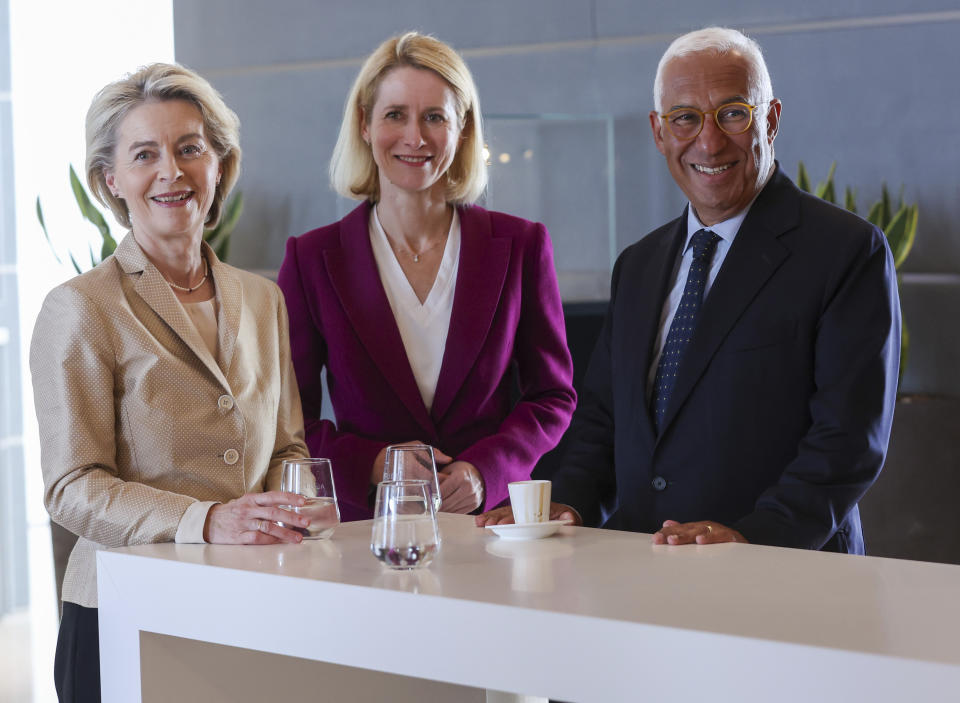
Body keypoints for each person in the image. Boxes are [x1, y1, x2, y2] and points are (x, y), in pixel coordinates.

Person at [477, 26, 901, 554]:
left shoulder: (846, 252)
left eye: (733, 113)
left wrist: (755, 536)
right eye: (685, 119)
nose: (709, 140)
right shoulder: (638, 264)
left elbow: (848, 441)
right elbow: (605, 420)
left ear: (769, 120)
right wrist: (570, 502)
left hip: (783, 573)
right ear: (659, 132)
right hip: (643, 572)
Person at [30, 63, 310, 702]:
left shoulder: (264, 300)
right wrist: (207, 521)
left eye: (190, 149)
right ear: (112, 180)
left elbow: (288, 450)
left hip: (256, 609)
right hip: (127, 616)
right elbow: (71, 488)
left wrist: (299, 503)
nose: (172, 171)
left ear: (220, 166)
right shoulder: (80, 307)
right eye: (145, 155)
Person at [278, 32, 576, 521]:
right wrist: (375, 465)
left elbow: (553, 396)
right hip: (369, 532)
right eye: (395, 114)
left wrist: (486, 470)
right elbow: (289, 421)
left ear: (461, 131)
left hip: (490, 527)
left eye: (435, 117)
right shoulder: (312, 258)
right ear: (365, 125)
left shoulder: (521, 246)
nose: (415, 137)